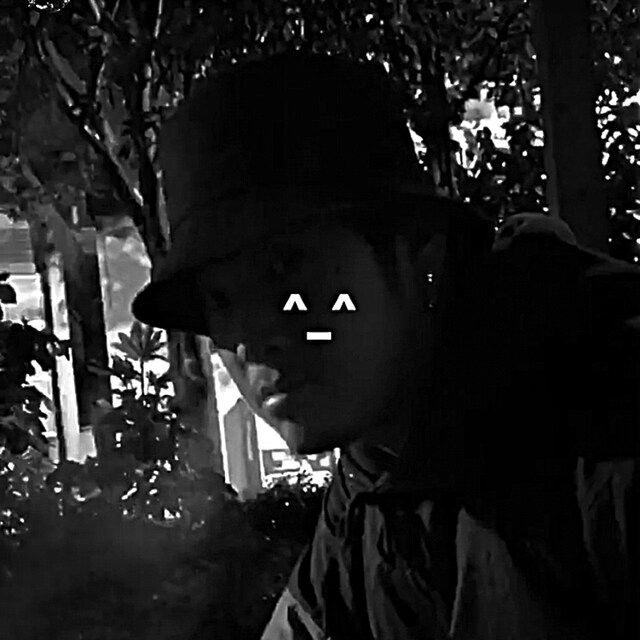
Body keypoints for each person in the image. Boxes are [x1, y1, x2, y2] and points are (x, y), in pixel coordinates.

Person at [132, 52, 640, 639]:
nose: (252, 338)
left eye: (286, 268)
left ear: (420, 253)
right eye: (220, 301)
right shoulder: (377, 473)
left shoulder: (608, 429)